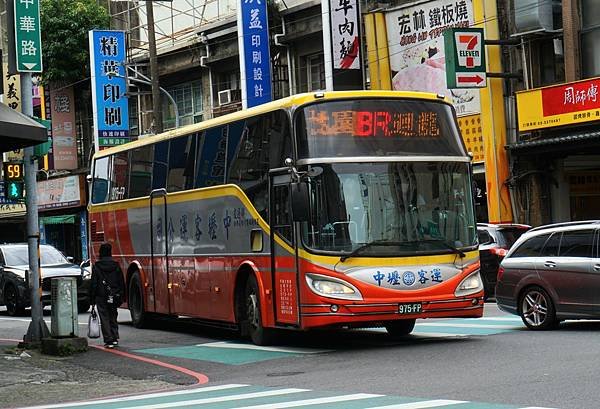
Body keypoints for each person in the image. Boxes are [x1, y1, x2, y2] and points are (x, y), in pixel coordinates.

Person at [89, 243, 125, 348]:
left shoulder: (97, 266)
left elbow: (94, 284)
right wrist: (121, 295)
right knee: (113, 315)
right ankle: (115, 337)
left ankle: (108, 339)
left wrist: (92, 299)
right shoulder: (116, 266)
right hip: (113, 295)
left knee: (104, 317)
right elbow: (121, 282)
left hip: (101, 296)